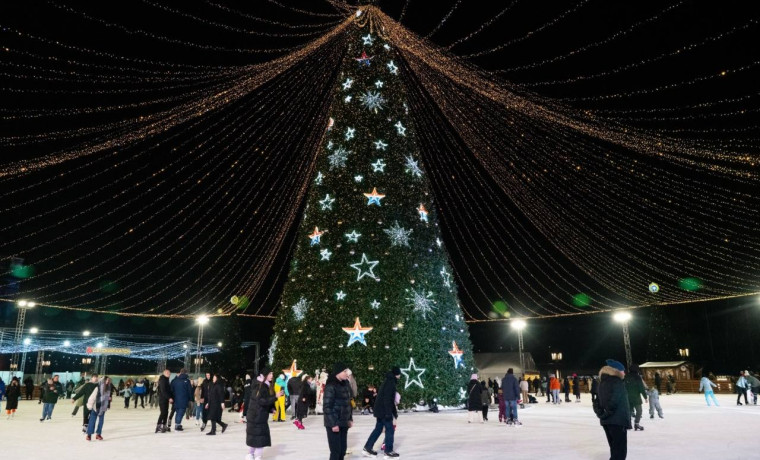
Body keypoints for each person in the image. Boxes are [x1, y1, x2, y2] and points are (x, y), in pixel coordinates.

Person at [593, 359, 631, 460]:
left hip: (607, 421)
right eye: (622, 370)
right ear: (616, 371)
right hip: (618, 421)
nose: (624, 372)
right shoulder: (617, 382)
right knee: (620, 450)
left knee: (614, 449)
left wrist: (601, 414)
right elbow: (614, 401)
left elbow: (596, 401)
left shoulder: (602, 382)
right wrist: (606, 413)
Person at [362, 366, 401, 457]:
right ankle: (388, 451)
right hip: (383, 410)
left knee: (378, 429)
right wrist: (388, 413)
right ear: (397, 374)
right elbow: (387, 399)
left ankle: (367, 447)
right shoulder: (390, 383)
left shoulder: (388, 380)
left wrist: (394, 412)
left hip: (380, 409)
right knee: (390, 429)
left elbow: (389, 399)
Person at [245, 367, 280, 460]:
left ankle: (250, 454)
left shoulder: (265, 385)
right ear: (265, 375)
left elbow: (265, 401)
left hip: (257, 415)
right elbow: (261, 401)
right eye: (270, 374)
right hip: (257, 416)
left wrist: (272, 408)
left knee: (255, 437)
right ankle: (257, 456)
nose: (272, 375)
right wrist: (275, 397)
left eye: (272, 374)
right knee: (259, 438)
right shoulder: (260, 386)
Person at [323, 362, 354, 460]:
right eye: (345, 371)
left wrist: (349, 418)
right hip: (334, 423)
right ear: (338, 372)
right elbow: (327, 407)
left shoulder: (345, 384)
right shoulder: (331, 386)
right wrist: (333, 424)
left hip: (343, 422)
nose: (347, 373)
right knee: (336, 452)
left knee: (342, 450)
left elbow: (348, 403)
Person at [85, 376, 112, 441]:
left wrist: (108, 400)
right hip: (96, 407)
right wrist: (89, 405)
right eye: (106, 380)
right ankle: (89, 435)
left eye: (108, 380)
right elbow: (92, 397)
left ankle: (98, 434)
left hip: (103, 408)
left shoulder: (108, 389)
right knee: (92, 421)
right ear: (103, 380)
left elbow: (107, 398)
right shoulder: (98, 388)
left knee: (101, 422)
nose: (107, 381)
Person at [624, 364, 647, 431]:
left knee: (629, 411)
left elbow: (623, 387)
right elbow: (641, 388)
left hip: (627, 397)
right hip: (636, 397)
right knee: (639, 411)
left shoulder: (626, 377)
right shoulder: (637, 377)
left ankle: (628, 424)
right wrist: (645, 396)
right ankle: (636, 423)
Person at [155, 369, 173, 433]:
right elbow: (163, 391)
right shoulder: (163, 380)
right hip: (162, 399)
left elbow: (168, 390)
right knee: (163, 412)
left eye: (169, 373)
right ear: (164, 373)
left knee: (166, 412)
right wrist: (169, 398)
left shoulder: (166, 379)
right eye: (167, 373)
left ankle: (164, 425)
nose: (169, 374)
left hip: (165, 399)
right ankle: (158, 426)